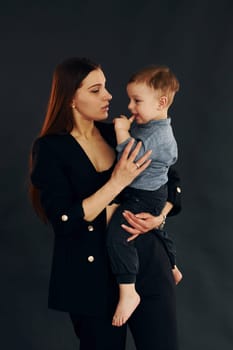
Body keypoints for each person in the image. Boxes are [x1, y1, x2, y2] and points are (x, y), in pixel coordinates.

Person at [29, 57, 182, 350]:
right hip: (91, 278)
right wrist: (117, 181)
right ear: (72, 98)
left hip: (147, 263)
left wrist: (158, 217)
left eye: (106, 87)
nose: (109, 96)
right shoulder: (50, 149)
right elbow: (64, 219)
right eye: (96, 90)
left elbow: (170, 176)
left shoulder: (119, 132)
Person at [106, 65, 182, 327]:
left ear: (161, 103)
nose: (130, 107)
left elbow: (133, 158)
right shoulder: (150, 125)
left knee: (119, 234)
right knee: (157, 230)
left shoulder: (160, 136)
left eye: (137, 101)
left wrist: (121, 133)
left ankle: (128, 291)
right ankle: (172, 265)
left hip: (143, 195)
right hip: (148, 193)